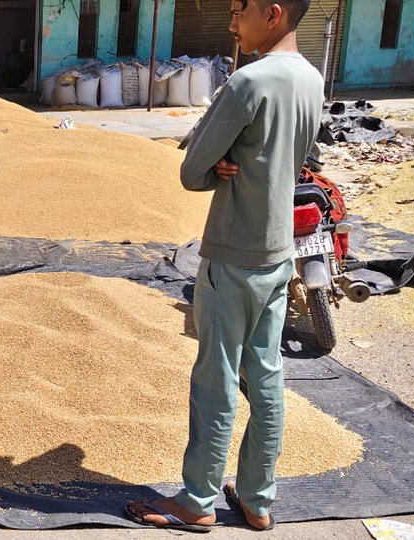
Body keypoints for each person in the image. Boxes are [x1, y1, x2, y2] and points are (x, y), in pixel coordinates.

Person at [124, 0, 322, 533]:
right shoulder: (311, 79)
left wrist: (219, 166)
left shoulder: (247, 83)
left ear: (273, 13)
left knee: (217, 379)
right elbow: (292, 157)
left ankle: (197, 501)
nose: (232, 23)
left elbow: (192, 170)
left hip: (232, 253)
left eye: (240, 11)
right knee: (267, 377)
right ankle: (257, 500)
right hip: (278, 251)